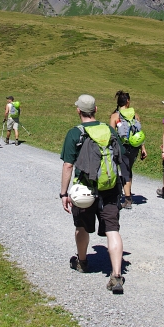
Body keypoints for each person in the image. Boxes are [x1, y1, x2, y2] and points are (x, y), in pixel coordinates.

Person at [60, 94, 125, 294]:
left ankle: (82, 262)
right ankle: (116, 275)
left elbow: (68, 165)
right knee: (112, 229)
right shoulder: (108, 129)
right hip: (110, 188)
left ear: (78, 110)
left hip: (84, 190)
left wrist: (64, 193)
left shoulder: (75, 134)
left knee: (81, 226)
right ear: (96, 110)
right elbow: (119, 157)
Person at [109, 90, 147, 209]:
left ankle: (127, 199)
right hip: (135, 147)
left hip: (122, 147)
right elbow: (138, 133)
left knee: (123, 171)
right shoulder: (135, 115)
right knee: (127, 170)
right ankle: (126, 194)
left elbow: (111, 134)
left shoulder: (115, 116)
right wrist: (143, 148)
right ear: (128, 102)